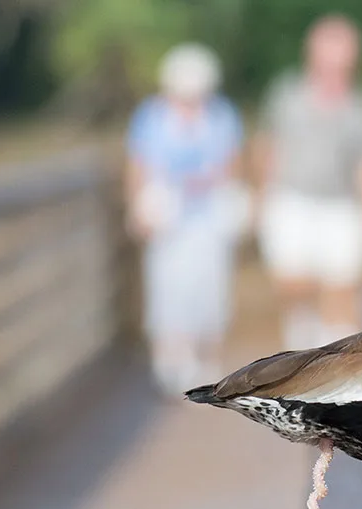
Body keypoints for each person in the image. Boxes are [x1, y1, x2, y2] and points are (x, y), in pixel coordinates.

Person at [254, 14, 362, 349]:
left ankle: (334, 355)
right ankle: (300, 339)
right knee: (291, 283)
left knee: (343, 286)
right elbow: (267, 145)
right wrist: (261, 195)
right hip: (292, 199)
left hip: (342, 205)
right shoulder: (287, 95)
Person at [125, 43, 246, 396]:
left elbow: (233, 161)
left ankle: (208, 361)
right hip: (167, 218)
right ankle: (170, 361)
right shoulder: (151, 115)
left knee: (211, 287)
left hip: (209, 218)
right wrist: (136, 207)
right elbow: (138, 164)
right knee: (167, 288)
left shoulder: (222, 115)